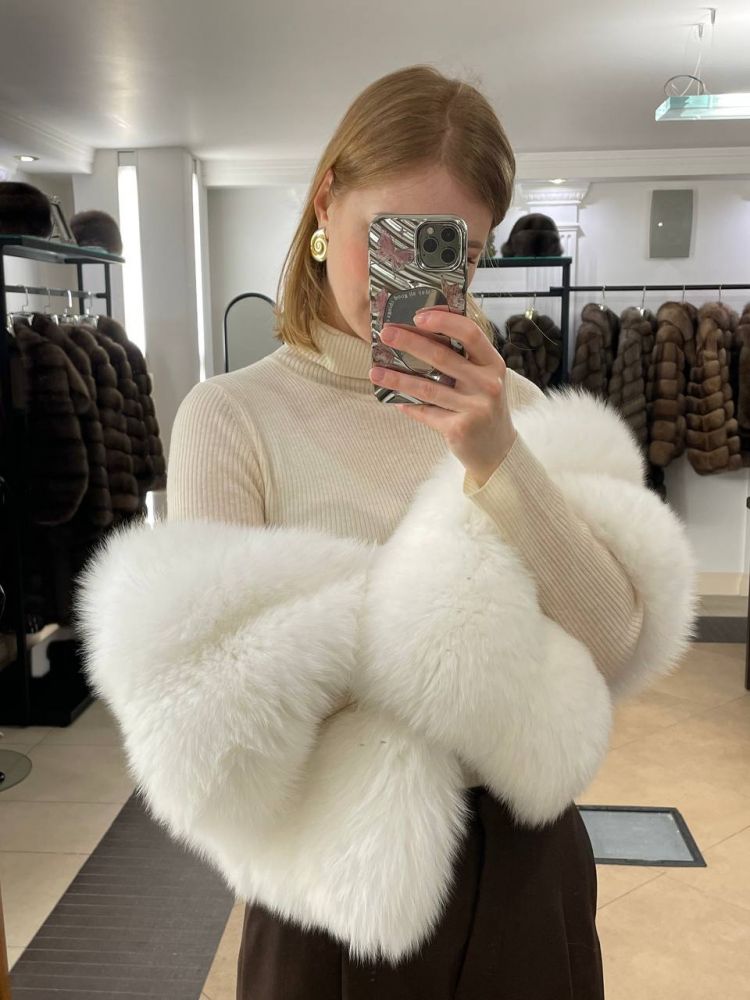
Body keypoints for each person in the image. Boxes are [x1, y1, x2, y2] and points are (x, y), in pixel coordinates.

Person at [76, 65, 697, 1000]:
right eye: (393, 236)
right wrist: (487, 655)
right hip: (336, 898)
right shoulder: (233, 419)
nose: (417, 281)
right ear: (326, 202)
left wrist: (498, 460)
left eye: (456, 253)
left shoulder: (521, 411)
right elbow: (212, 718)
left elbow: (611, 645)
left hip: (524, 870)